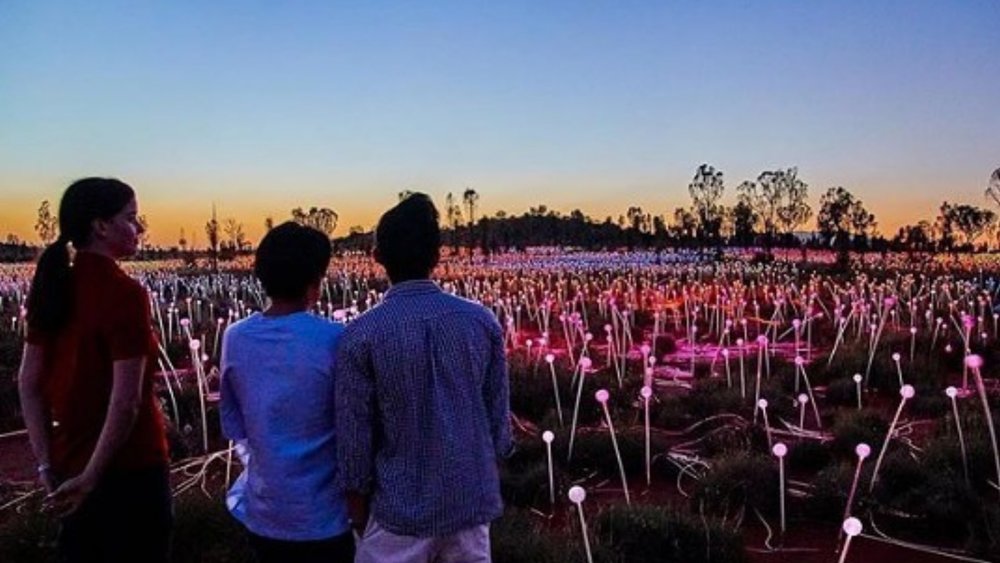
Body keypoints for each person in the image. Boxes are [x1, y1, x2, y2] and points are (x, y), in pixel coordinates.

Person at [336, 193, 512, 563]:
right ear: (437, 255)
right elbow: (497, 420)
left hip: (399, 512)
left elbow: (355, 437)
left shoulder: (361, 335)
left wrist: (357, 510)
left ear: (377, 256)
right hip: (469, 505)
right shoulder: (481, 322)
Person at [18, 177, 171, 562]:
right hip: (130, 466)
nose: (139, 228)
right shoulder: (124, 294)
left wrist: (46, 462)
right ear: (101, 226)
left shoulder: (52, 287)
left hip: (69, 461)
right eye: (131, 218)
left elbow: (28, 383)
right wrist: (92, 477)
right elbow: (126, 403)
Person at [220, 221, 354, 563]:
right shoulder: (335, 339)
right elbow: (352, 426)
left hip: (265, 514)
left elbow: (235, 425)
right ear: (315, 282)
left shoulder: (235, 337)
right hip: (324, 519)